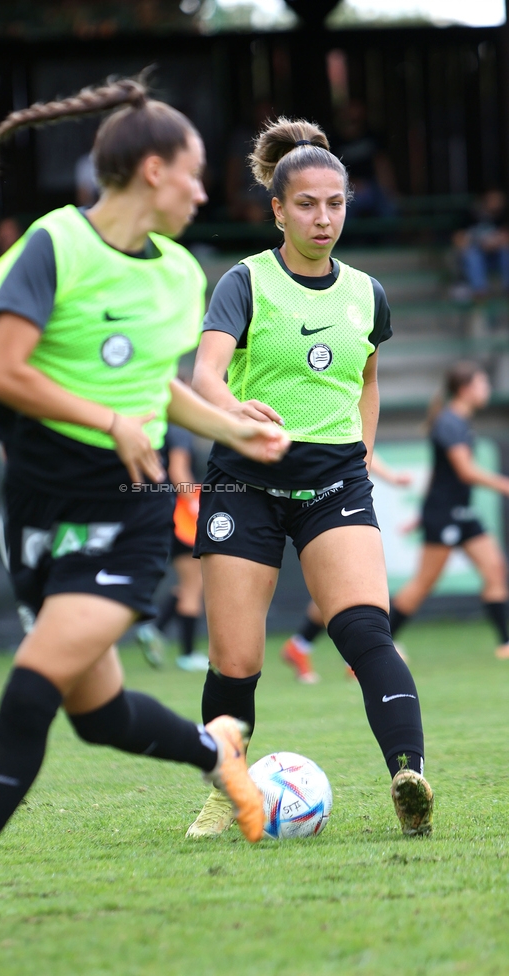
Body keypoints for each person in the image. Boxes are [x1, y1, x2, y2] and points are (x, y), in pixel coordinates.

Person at [0, 76, 292, 943]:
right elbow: (8, 373)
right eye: (193, 175)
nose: (201, 191)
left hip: (131, 509)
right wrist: (110, 418)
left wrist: (231, 426)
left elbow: (153, 388)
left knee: (30, 689)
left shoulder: (182, 272)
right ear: (151, 171)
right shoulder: (54, 246)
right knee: (99, 716)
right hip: (38, 505)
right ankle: (213, 751)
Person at [187, 117, 433, 840]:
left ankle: (408, 775)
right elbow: (203, 376)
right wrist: (235, 409)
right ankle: (227, 790)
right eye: (306, 205)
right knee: (236, 662)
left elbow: (369, 380)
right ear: (277, 209)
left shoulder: (367, 293)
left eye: (335, 203)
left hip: (334, 483)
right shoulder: (245, 282)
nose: (323, 217)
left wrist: (361, 450)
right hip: (244, 482)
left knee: (365, 631)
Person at [388, 362, 509, 659]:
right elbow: (465, 471)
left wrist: (419, 516)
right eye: (482, 384)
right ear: (466, 389)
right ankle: (374, 650)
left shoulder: (459, 421)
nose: (487, 390)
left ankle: (505, 644)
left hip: (461, 513)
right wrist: (502, 483)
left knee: (495, 570)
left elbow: (437, 474)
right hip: (444, 515)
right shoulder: (449, 422)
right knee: (422, 584)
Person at [282, 452, 413, 683]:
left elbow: (362, 447)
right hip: (326, 505)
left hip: (349, 497)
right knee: (347, 587)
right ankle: (354, 657)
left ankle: (301, 646)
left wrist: (391, 477)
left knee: (342, 588)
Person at [136, 423, 208, 671]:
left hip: (165, 513)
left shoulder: (157, 428)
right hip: (181, 518)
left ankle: (154, 628)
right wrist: (194, 505)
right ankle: (187, 654)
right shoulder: (178, 431)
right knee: (193, 586)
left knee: (188, 585)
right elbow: (178, 471)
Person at [452, 191, 509, 300]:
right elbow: (458, 240)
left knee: (506, 252)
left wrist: (495, 244)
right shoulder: (469, 215)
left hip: (495, 256)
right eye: (493, 199)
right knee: (472, 254)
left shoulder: (502, 216)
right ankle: (480, 291)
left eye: (499, 200)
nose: (496, 203)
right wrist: (480, 244)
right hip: (476, 258)